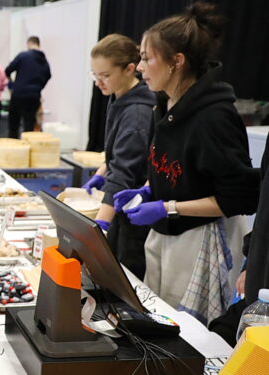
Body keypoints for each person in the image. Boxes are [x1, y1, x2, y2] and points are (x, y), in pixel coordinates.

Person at [114, 2, 259, 324]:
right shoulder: (164, 104)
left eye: (147, 58)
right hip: (167, 230)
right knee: (158, 317)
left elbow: (237, 198)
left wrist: (168, 207)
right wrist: (148, 190)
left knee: (189, 332)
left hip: (200, 239)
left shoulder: (214, 117)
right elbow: (177, 170)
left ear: (176, 62)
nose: (139, 66)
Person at [81, 34, 155, 280]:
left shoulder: (136, 113)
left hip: (135, 211)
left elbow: (124, 171)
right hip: (120, 204)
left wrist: (99, 227)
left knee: (126, 279)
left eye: (105, 75)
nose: (99, 82)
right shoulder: (119, 95)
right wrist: (101, 173)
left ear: (130, 69)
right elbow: (115, 153)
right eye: (95, 75)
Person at [5, 36, 51, 137]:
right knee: (29, 128)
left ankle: (12, 150)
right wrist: (38, 87)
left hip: (18, 95)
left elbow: (8, 70)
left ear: (29, 43)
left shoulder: (23, 56)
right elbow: (48, 76)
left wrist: (12, 85)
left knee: (14, 126)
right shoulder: (44, 61)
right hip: (34, 97)